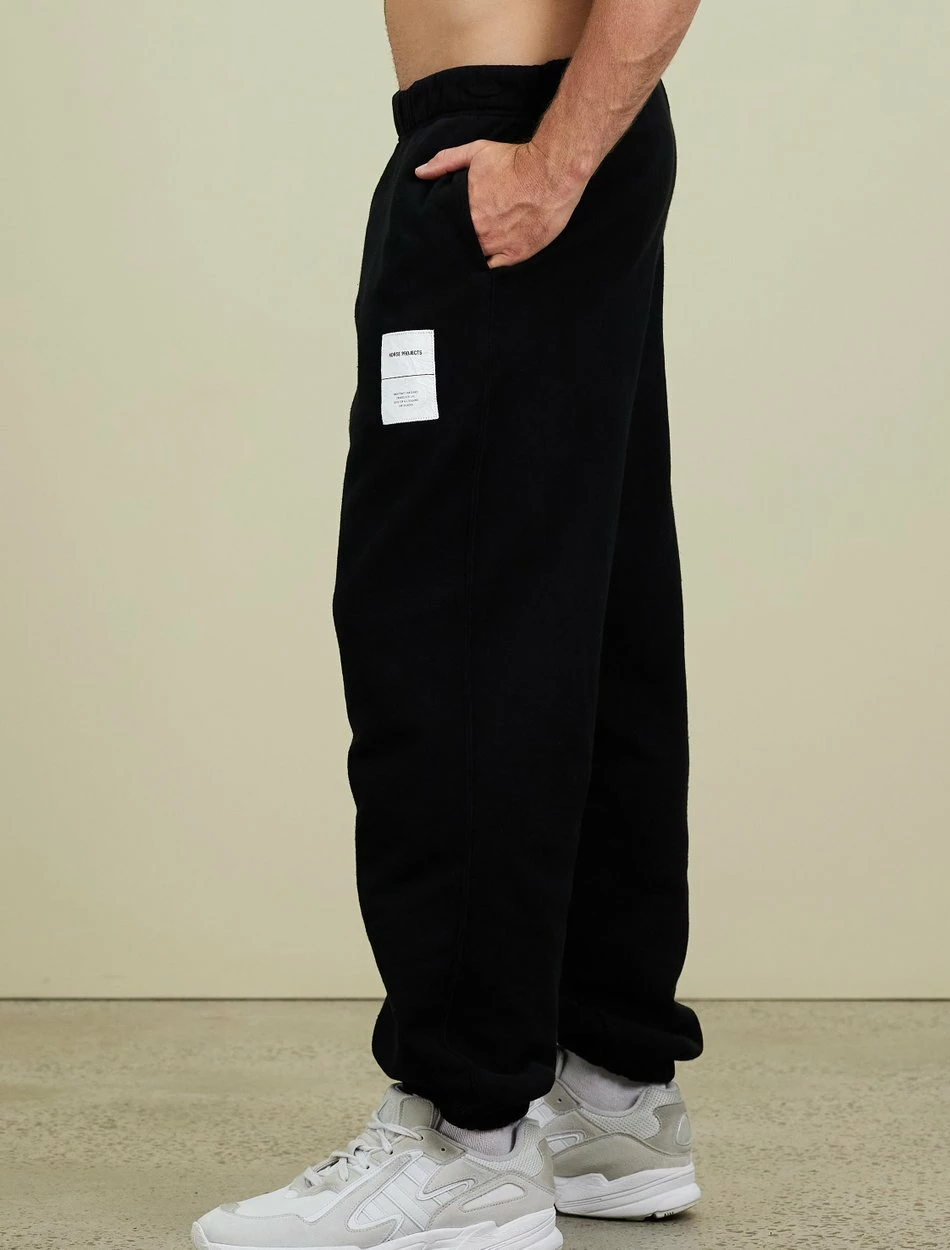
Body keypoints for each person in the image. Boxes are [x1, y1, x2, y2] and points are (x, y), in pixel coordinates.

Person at [193, 1, 704, 1247]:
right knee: (591, 627)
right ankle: (610, 1091)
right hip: (552, 134)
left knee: (447, 640)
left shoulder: (518, 167)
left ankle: (465, 1136)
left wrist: (550, 163)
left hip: (512, 152)